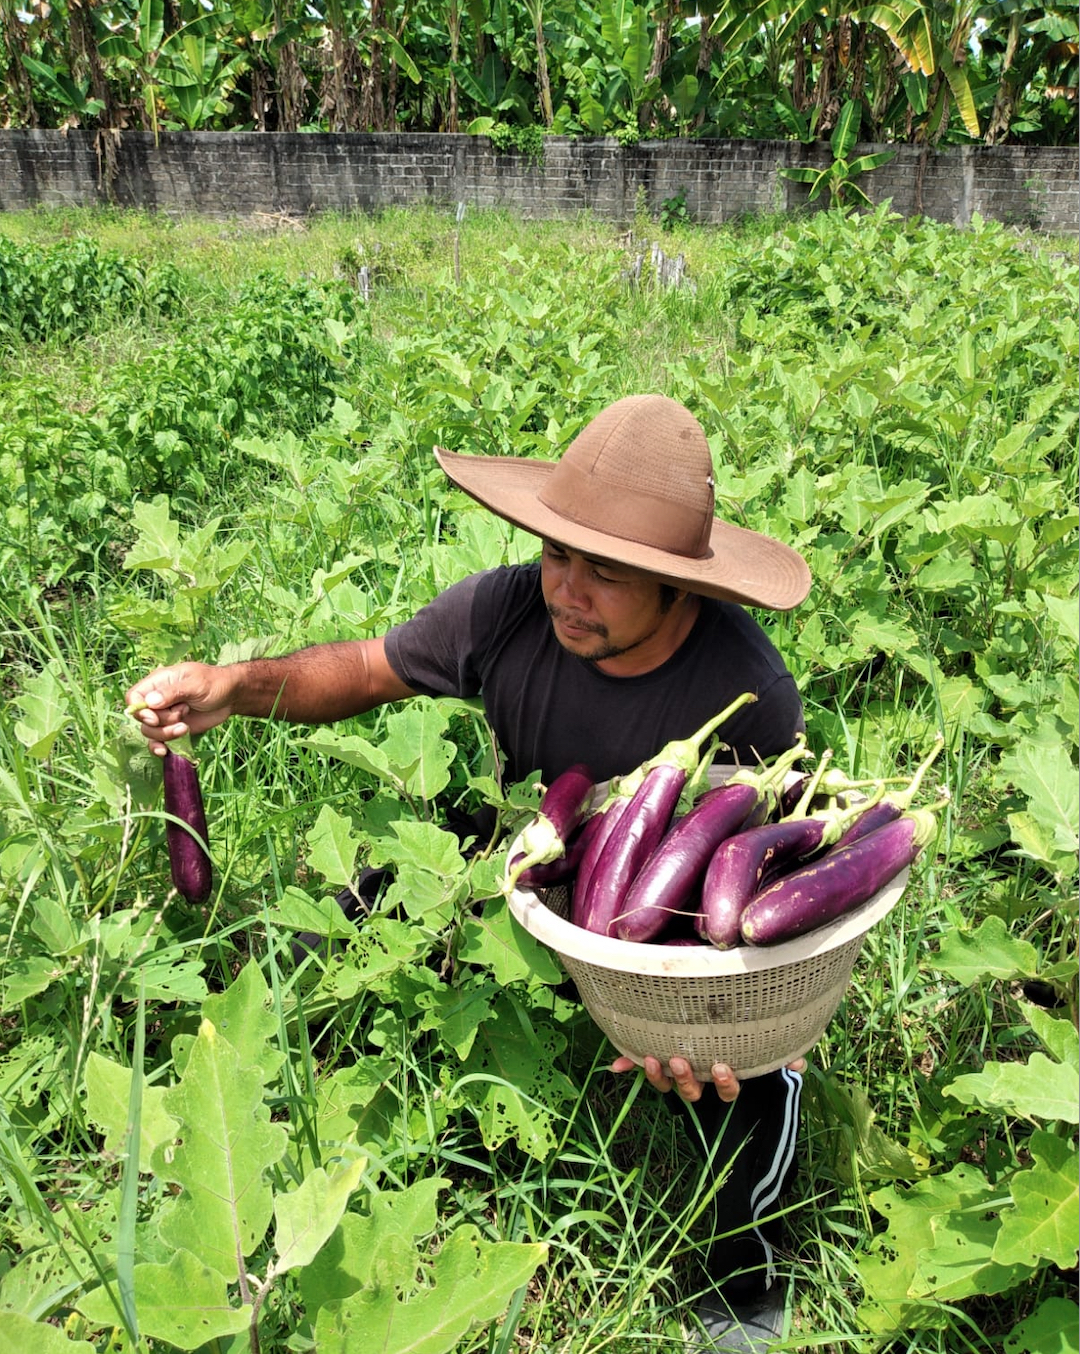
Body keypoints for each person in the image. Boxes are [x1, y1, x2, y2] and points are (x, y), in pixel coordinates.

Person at [126, 393, 813, 1352]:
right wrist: (233, 687)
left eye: (606, 573)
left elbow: (764, 875)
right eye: (557, 553)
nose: (567, 590)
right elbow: (365, 668)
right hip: (510, 855)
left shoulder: (747, 696)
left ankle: (747, 1283)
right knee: (353, 912)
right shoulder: (505, 609)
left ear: (678, 587)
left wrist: (700, 1004)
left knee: (745, 1076)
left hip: (660, 918)